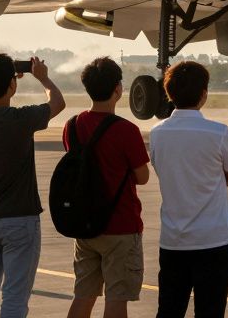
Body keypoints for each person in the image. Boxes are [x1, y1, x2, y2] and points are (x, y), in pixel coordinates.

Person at [0, 54, 65, 318]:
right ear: (12, 85)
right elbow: (57, 103)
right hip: (20, 219)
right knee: (15, 296)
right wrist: (42, 77)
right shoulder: (20, 119)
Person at [149, 61, 228, 318]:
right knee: (210, 311)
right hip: (213, 240)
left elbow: (162, 169)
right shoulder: (219, 132)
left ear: (169, 94)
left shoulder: (157, 133)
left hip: (173, 241)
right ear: (204, 94)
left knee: (169, 310)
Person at [63, 58, 150, 318]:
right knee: (116, 299)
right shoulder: (127, 129)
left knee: (83, 296)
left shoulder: (72, 126)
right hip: (120, 225)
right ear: (118, 89)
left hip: (85, 224)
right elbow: (142, 176)